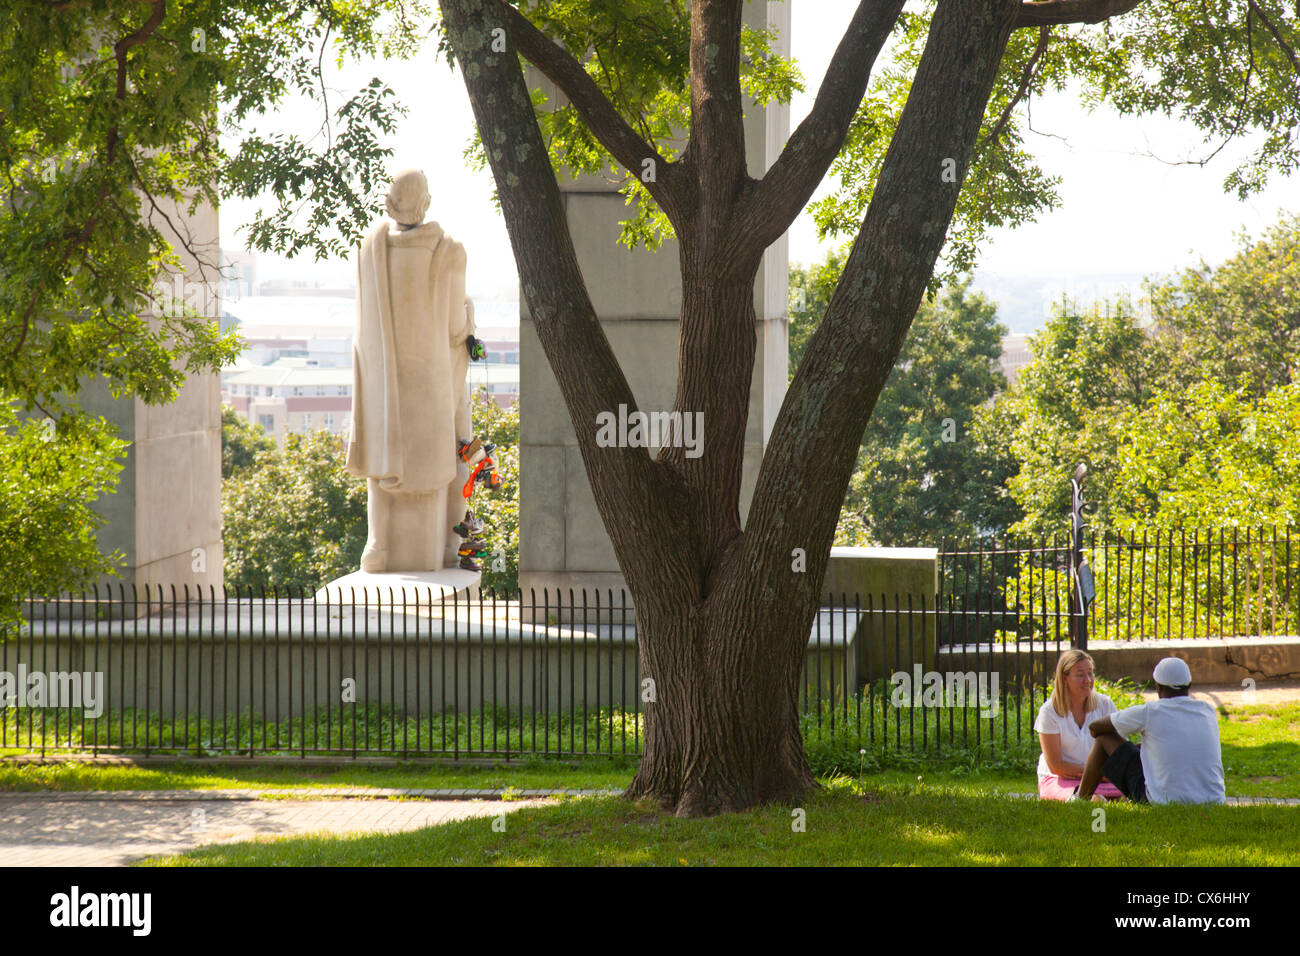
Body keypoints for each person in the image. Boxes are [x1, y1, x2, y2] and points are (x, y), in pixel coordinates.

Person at [1077, 656, 1225, 804]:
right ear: (1189, 685)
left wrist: (1131, 750)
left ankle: (1080, 799)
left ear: (1158, 687)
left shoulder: (1150, 711)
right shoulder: (1208, 710)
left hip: (1162, 800)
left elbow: (1095, 728)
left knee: (1104, 738)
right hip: (1213, 799)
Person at [1034, 650, 1124, 801]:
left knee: (1129, 794)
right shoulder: (1049, 712)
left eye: (1090, 673)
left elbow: (1118, 752)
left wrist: (1103, 775)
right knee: (1086, 797)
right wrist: (1099, 774)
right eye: (1080, 675)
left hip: (1100, 778)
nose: (1088, 680)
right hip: (1060, 779)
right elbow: (1057, 766)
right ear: (1064, 678)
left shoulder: (1105, 705)